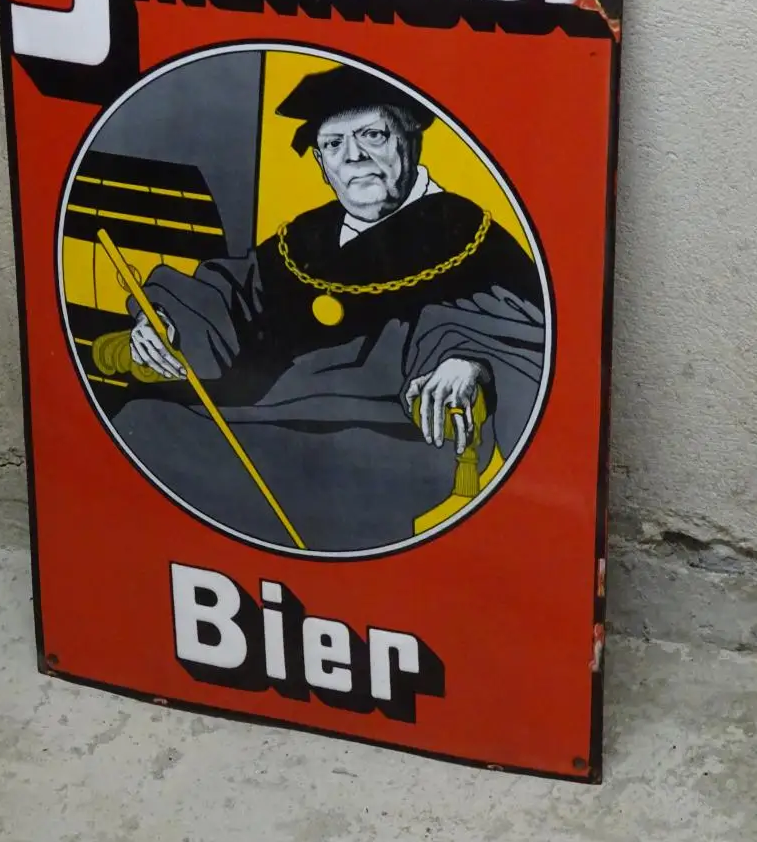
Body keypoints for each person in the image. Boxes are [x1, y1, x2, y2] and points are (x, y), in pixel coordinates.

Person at [114, 65, 546, 552]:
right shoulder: (306, 235)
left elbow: (526, 331)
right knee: (143, 418)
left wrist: (471, 363)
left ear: (410, 136)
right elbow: (236, 293)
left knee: (320, 475)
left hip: (389, 427)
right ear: (321, 163)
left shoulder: (467, 232)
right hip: (274, 406)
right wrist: (167, 325)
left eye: (372, 135)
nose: (353, 156)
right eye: (334, 144)